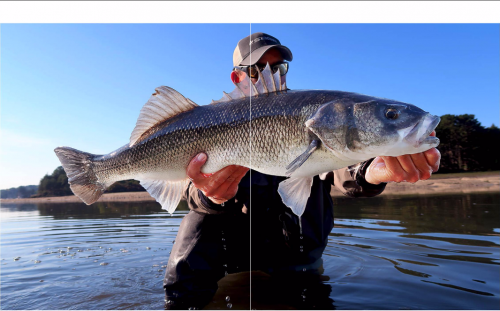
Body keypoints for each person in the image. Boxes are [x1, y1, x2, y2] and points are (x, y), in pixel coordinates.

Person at [163, 32, 441, 310]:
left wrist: (374, 171)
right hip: (238, 258)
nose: (272, 73)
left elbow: (346, 167)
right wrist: (211, 195)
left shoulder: (317, 115)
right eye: (257, 69)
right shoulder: (211, 121)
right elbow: (190, 190)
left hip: (297, 262)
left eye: (279, 67)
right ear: (237, 78)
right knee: (199, 218)